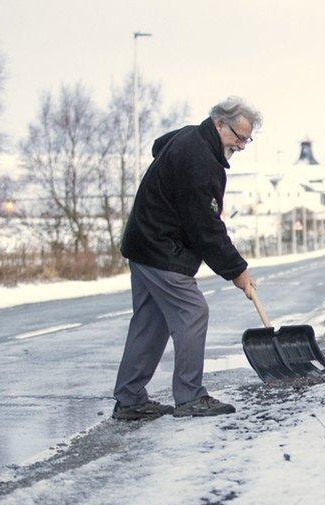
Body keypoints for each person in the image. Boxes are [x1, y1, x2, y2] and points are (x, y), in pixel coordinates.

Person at [111, 97, 260, 420]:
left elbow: (158, 145)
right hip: (161, 248)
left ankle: (130, 399)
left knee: (151, 322)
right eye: (238, 135)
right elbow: (205, 227)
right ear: (218, 123)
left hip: (143, 244)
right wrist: (237, 270)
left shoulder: (189, 137)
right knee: (193, 312)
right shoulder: (200, 160)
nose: (242, 145)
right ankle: (190, 396)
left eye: (247, 138)